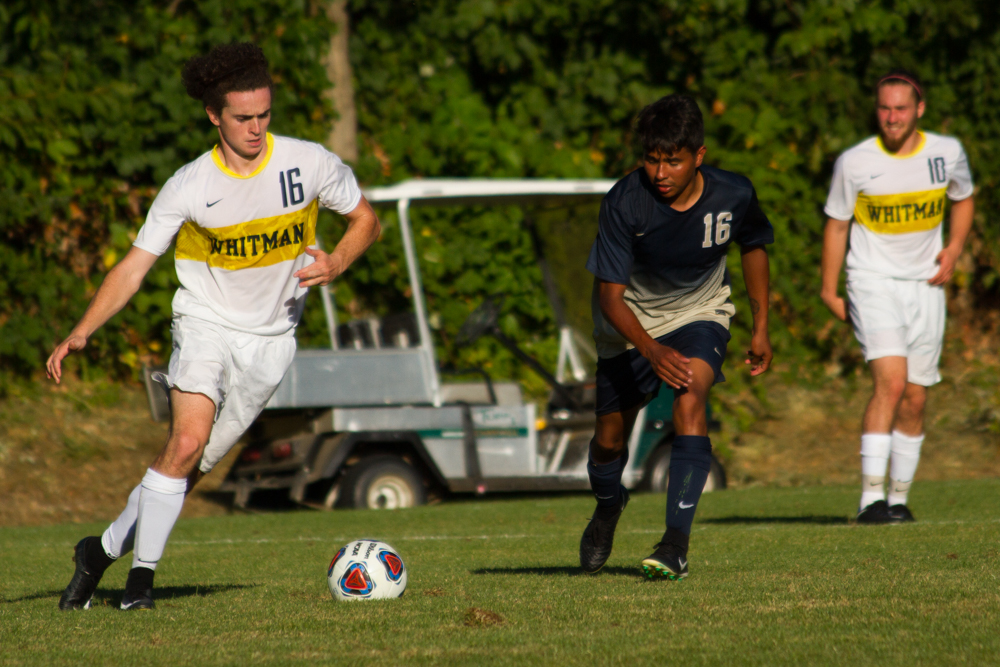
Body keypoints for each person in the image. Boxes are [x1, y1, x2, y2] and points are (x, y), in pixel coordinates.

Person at [46, 43, 380, 610]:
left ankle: (97, 553)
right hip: (204, 320)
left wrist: (338, 260)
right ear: (213, 116)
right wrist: (84, 329)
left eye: (264, 115)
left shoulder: (309, 162)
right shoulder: (189, 185)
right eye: (243, 118)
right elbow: (134, 266)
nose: (256, 127)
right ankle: (139, 586)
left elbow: (364, 219)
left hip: (271, 342)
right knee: (187, 440)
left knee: (187, 468)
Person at [581, 94, 774, 580]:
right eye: (651, 159)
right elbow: (609, 298)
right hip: (630, 326)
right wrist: (651, 347)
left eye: (673, 160)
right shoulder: (625, 202)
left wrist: (761, 325)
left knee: (691, 397)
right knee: (608, 444)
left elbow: (754, 244)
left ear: (699, 156)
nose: (661, 172)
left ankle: (674, 546)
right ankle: (608, 506)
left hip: (700, 312)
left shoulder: (734, 194)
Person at [821, 70, 974, 524]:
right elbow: (837, 224)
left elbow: (963, 199)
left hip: (925, 285)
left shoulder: (947, 154)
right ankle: (871, 500)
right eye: (885, 108)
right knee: (890, 380)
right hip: (871, 279)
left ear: (919, 109)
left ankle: (900, 498)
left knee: (915, 397)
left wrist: (955, 249)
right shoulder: (854, 161)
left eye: (901, 108)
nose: (892, 117)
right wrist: (829, 290)